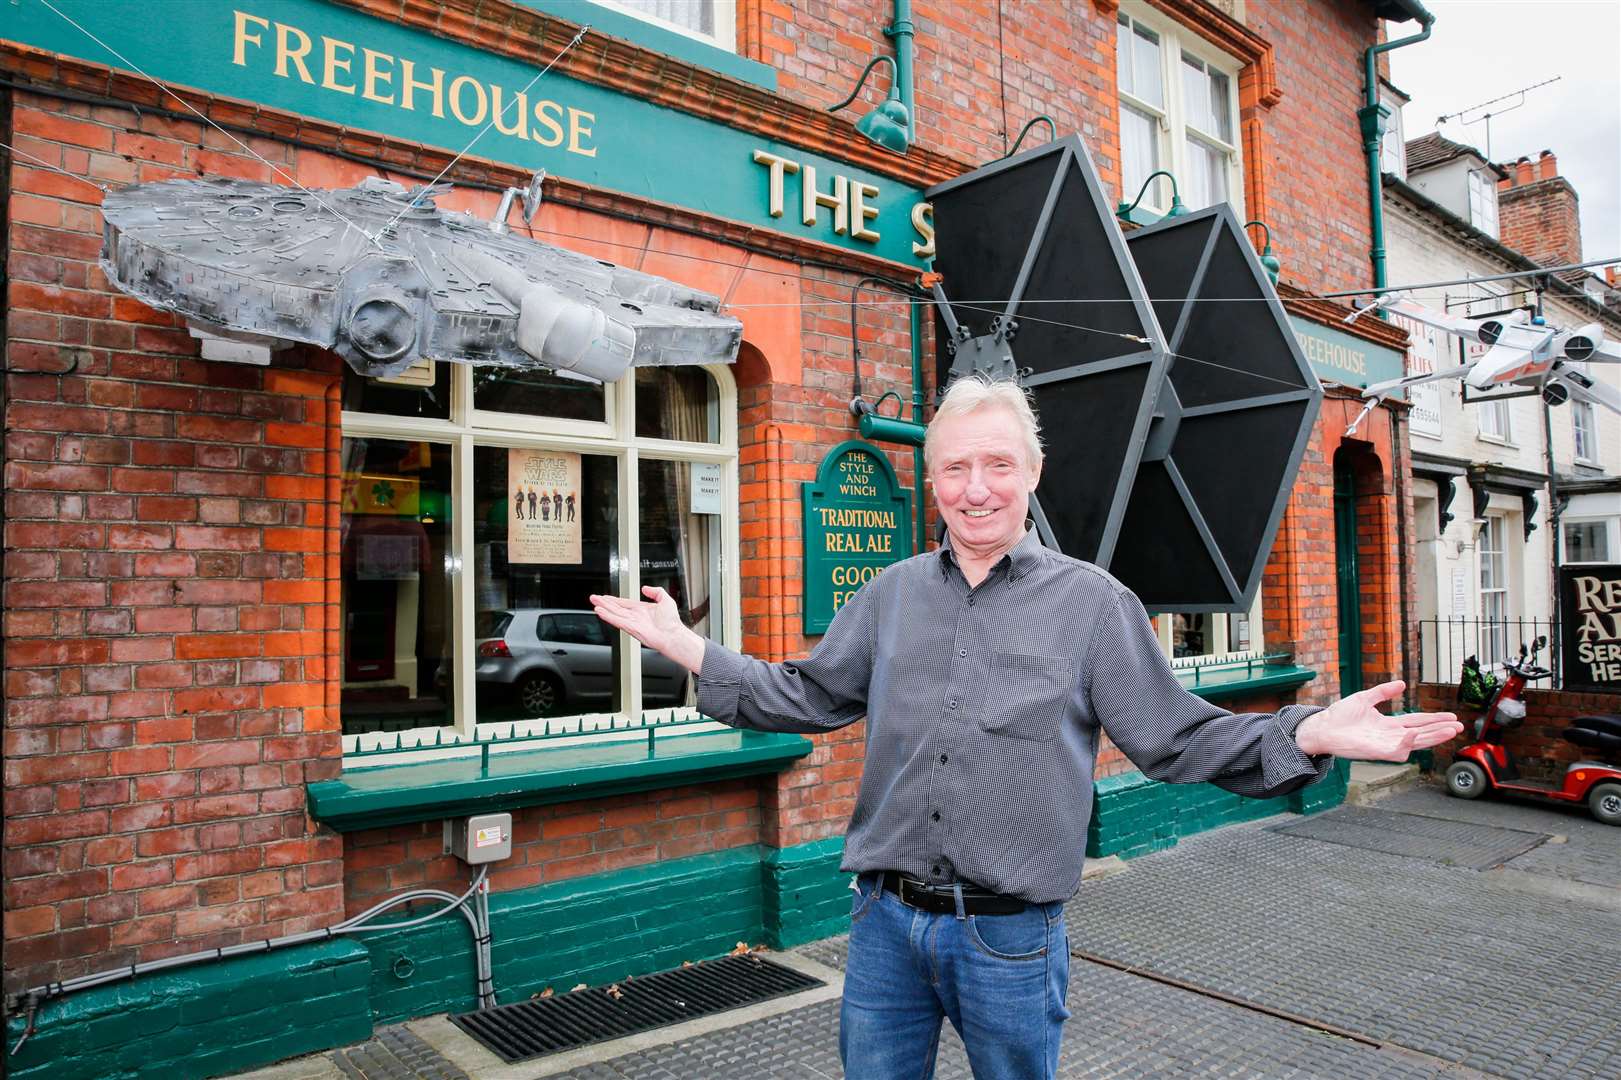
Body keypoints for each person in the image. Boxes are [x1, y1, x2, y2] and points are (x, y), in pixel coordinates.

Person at [591, 375, 1460, 1080]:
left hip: (1008, 935)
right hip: (884, 925)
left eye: (998, 466)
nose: (977, 490)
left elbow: (1175, 738)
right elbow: (807, 696)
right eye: (957, 469)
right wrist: (694, 652)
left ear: (1032, 474)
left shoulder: (1091, 605)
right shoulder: (890, 596)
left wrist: (1305, 733)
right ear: (931, 481)